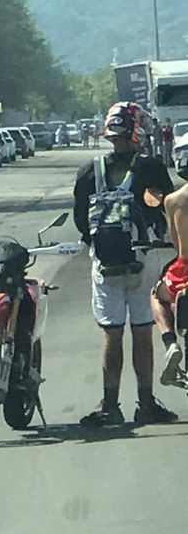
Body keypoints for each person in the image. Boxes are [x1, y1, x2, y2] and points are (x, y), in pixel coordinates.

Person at [74, 100, 177, 426]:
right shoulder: (150, 168)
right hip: (143, 258)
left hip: (105, 263)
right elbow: (166, 208)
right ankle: (145, 403)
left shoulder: (89, 170)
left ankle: (110, 404)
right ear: (137, 130)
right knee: (142, 331)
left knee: (112, 333)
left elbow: (80, 220)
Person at [151, 133, 188, 385]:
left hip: (184, 271)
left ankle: (170, 341)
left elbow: (177, 244)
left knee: (156, 295)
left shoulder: (173, 201)